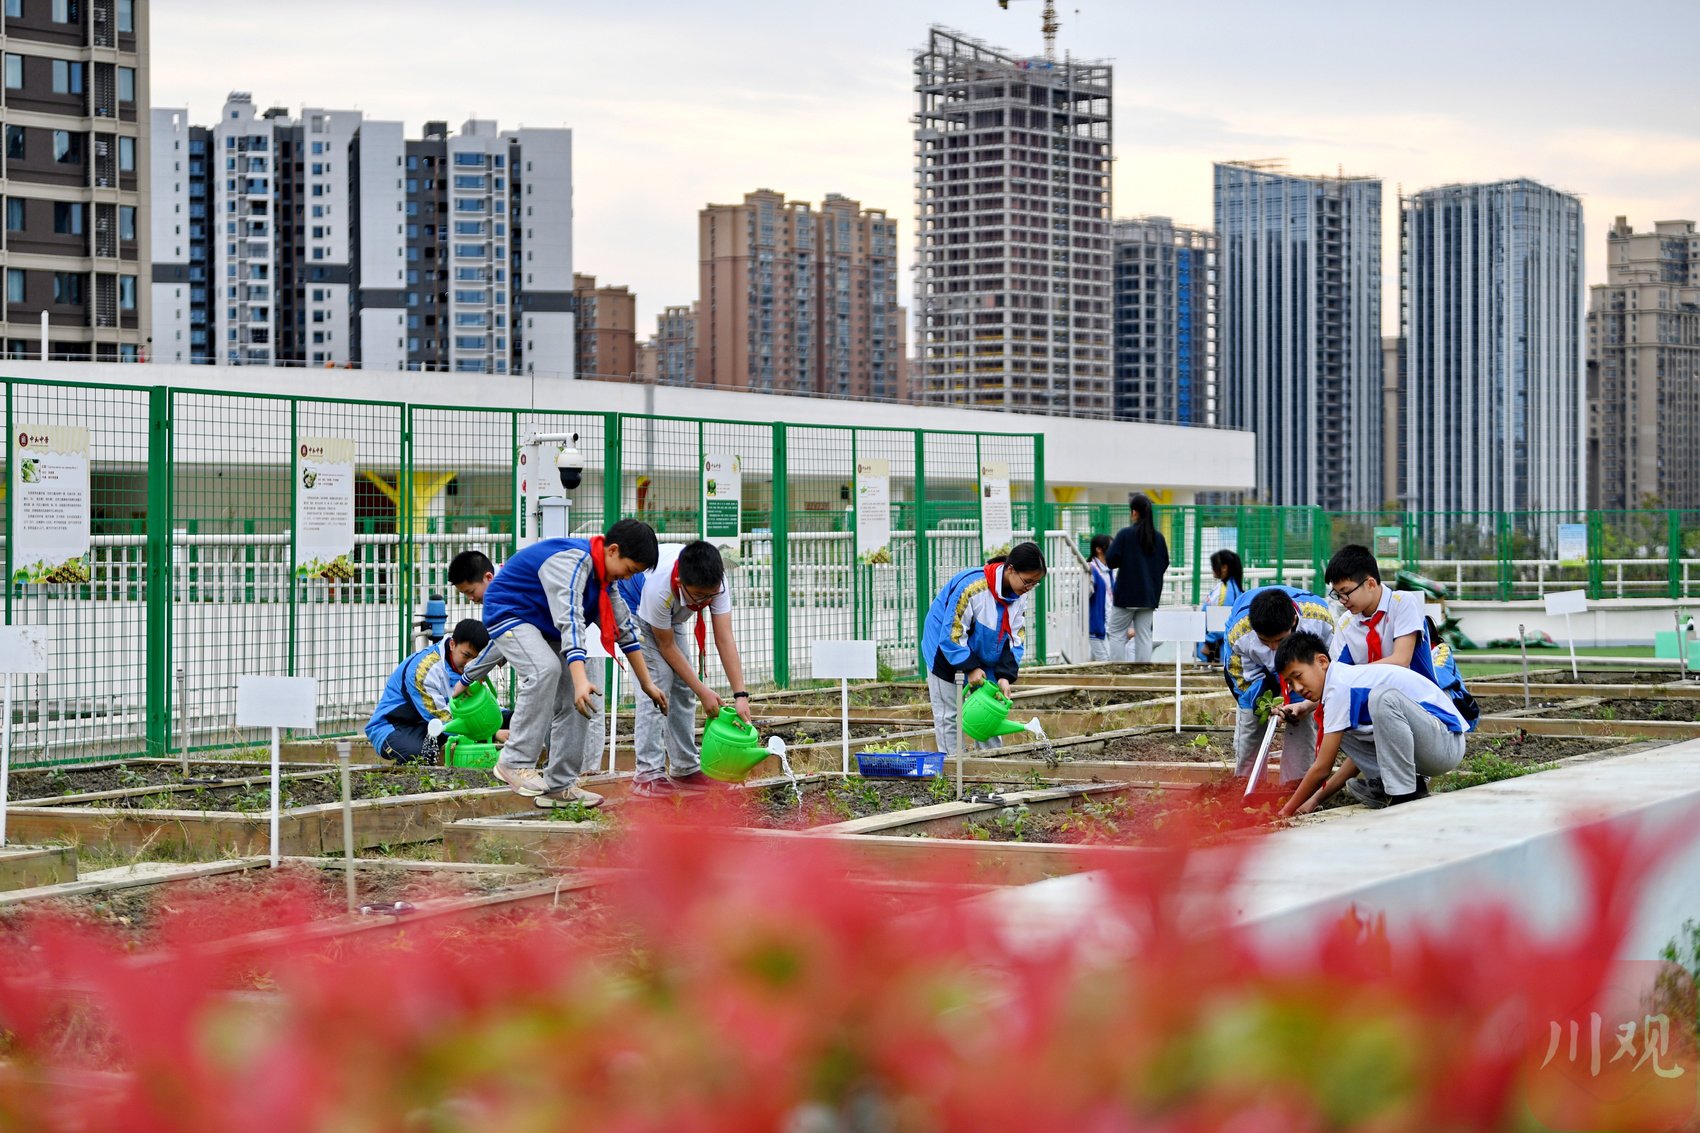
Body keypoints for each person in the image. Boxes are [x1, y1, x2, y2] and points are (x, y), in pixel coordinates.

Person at [460, 520, 668, 808]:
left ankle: (560, 785)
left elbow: (624, 629)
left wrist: (647, 684)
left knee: (580, 699)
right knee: (544, 669)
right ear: (614, 550)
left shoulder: (607, 582)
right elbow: (570, 619)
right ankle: (514, 761)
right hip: (509, 612)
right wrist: (579, 677)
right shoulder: (573, 561)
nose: (626, 577)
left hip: (545, 627)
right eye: (629, 569)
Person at [1274, 632, 1467, 816]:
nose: (1297, 688)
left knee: (1383, 698)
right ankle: (1396, 785)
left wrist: (1287, 809)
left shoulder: (1341, 687)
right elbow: (1359, 758)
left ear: (1322, 661)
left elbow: (1323, 767)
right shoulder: (1338, 691)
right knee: (1337, 728)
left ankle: (1404, 795)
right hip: (1427, 748)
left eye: (1298, 676)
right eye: (1290, 683)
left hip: (1446, 742)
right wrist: (1314, 800)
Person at [615, 540, 749, 798]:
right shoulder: (660, 588)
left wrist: (740, 695)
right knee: (657, 686)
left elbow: (724, 637)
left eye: (711, 595)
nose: (707, 601)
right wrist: (703, 691)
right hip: (637, 612)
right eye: (700, 596)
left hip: (670, 617)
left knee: (683, 689)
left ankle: (685, 767)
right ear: (680, 584)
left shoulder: (716, 583)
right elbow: (666, 646)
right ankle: (647, 774)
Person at [920, 542, 1047, 754]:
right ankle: (953, 772)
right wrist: (970, 668)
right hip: (945, 649)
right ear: (1010, 569)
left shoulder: (1019, 596)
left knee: (992, 709)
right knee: (949, 715)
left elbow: (1015, 638)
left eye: (1035, 584)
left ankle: (990, 768)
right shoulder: (972, 588)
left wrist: (1005, 675)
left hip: (985, 650)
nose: (1029, 588)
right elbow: (952, 633)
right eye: (1028, 581)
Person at [1222, 585, 1336, 788]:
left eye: (1280, 640)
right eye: (1265, 642)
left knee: (1301, 720)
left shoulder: (1318, 620)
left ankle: (1295, 786)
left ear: (1294, 622)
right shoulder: (1239, 633)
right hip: (1256, 673)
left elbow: (1329, 666)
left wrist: (1306, 701)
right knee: (1250, 727)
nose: (1274, 648)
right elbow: (1240, 680)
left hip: (1302, 670)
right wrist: (1264, 704)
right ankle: (1246, 785)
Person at [366, 619, 499, 763]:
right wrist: (492, 731)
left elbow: (483, 708)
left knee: (509, 721)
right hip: (395, 726)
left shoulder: (471, 669)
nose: (470, 664)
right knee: (418, 754)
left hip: (433, 726)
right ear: (453, 644)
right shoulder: (423, 670)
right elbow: (441, 719)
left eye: (476, 659)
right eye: (466, 656)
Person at [1104, 493, 1169, 662]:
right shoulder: (1159, 538)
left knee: (1116, 633)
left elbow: (1110, 560)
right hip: (1148, 597)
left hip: (1125, 596)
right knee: (1144, 635)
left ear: (1134, 513)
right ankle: (1142, 673)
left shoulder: (1125, 534)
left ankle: (1117, 672)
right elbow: (1164, 563)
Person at [1194, 549, 1245, 664]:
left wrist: (1208, 642)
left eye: (1214, 566)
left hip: (1216, 649)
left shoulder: (1227, 591)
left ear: (1224, 567)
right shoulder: (1226, 587)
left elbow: (1221, 621)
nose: (1212, 569)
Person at [1087, 534, 1113, 663]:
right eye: (1111, 546)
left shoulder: (1110, 570)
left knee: (1093, 663)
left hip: (1107, 626)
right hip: (1096, 627)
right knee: (1106, 662)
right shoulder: (1089, 569)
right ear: (1099, 549)